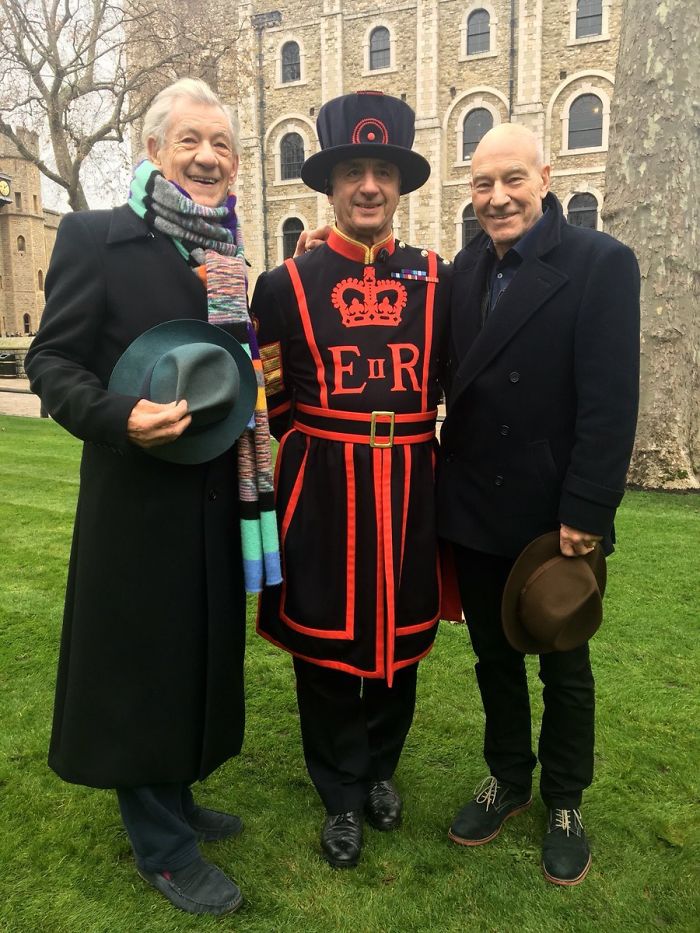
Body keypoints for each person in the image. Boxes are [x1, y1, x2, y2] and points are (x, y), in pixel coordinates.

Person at [25, 78, 280, 916]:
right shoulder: (98, 237)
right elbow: (52, 362)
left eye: (223, 146)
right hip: (135, 501)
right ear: (154, 150)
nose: (209, 158)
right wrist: (118, 416)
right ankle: (162, 846)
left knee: (195, 653)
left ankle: (176, 794)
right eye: (190, 141)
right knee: (141, 662)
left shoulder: (226, 258)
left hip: (211, 493)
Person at [251, 92, 451, 868]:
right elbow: (274, 401)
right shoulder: (284, 284)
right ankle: (338, 792)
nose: (369, 186)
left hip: (409, 486)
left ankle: (379, 769)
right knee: (328, 650)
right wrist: (318, 468)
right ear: (330, 185)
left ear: (399, 186)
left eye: (382, 172)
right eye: (354, 172)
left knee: (399, 647)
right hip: (324, 489)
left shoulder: (437, 278)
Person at [436, 123, 640, 885]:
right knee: (493, 657)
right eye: (483, 184)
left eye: (512, 180)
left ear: (545, 178)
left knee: (565, 661)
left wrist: (586, 509)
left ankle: (564, 798)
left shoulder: (600, 264)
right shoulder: (460, 273)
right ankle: (508, 778)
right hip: (475, 505)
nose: (498, 198)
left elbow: (611, 403)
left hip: (555, 512)